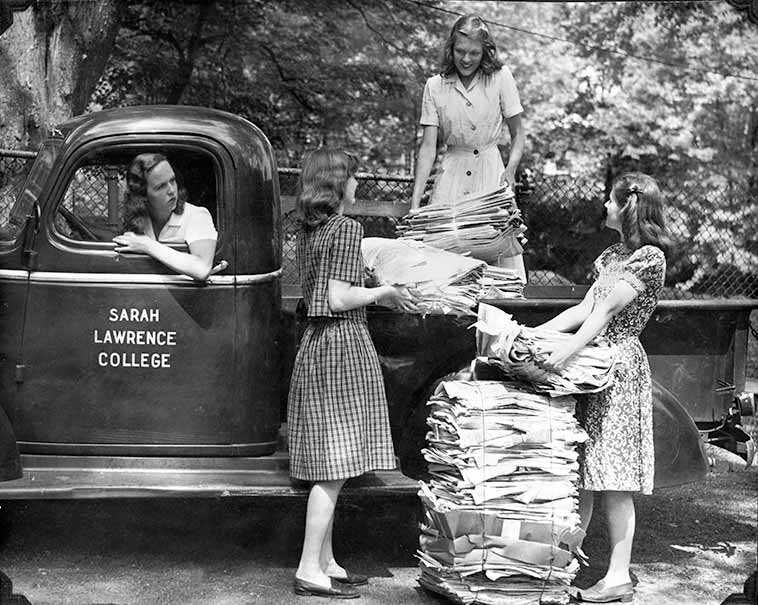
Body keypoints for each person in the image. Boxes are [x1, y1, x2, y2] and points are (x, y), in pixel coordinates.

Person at [537, 172, 672, 603]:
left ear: (628, 206)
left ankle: (617, 577)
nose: (605, 209)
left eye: (610, 202)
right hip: (591, 364)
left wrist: (562, 353)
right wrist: (530, 335)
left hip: (618, 368)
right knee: (582, 469)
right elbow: (583, 309)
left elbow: (604, 316)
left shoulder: (649, 258)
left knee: (613, 477)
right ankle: (559, 565)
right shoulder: (612, 255)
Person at [288, 149, 415, 599]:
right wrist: (387, 290)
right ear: (338, 182)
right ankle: (309, 568)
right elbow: (339, 299)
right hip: (342, 344)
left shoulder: (309, 231)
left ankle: (327, 561)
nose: (359, 184)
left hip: (315, 347)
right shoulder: (345, 229)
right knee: (334, 467)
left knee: (331, 463)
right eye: (354, 176)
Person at [410, 13, 526, 278]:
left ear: (485, 51)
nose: (466, 59)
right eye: (460, 51)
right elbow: (428, 147)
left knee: (496, 254)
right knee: (445, 256)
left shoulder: (500, 77)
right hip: (451, 174)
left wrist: (510, 170)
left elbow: (518, 134)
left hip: (490, 173)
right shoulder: (435, 86)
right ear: (450, 49)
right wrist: (416, 203)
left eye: (473, 53)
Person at [113, 153, 221, 281]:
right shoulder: (137, 219)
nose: (171, 190)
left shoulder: (197, 215)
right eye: (161, 186)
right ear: (143, 195)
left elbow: (201, 268)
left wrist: (147, 245)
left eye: (172, 180)